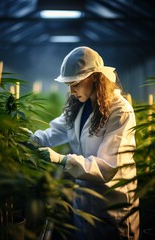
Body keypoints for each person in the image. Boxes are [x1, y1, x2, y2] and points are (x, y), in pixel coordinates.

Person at [30, 46, 139, 240]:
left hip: (112, 207)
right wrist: (31, 138)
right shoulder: (79, 106)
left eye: (75, 83)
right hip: (84, 205)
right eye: (68, 84)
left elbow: (108, 167)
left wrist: (62, 160)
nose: (71, 90)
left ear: (95, 77)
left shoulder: (120, 111)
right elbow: (55, 131)